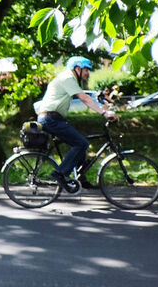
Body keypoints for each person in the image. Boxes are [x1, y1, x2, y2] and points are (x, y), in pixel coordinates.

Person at [34, 56, 118, 189]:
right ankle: (60, 174)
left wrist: (103, 106)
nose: (88, 73)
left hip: (54, 118)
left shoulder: (70, 79)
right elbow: (84, 98)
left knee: (79, 143)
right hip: (51, 119)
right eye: (86, 70)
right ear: (77, 68)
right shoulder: (67, 77)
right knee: (81, 143)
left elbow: (86, 96)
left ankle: (81, 178)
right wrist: (104, 113)